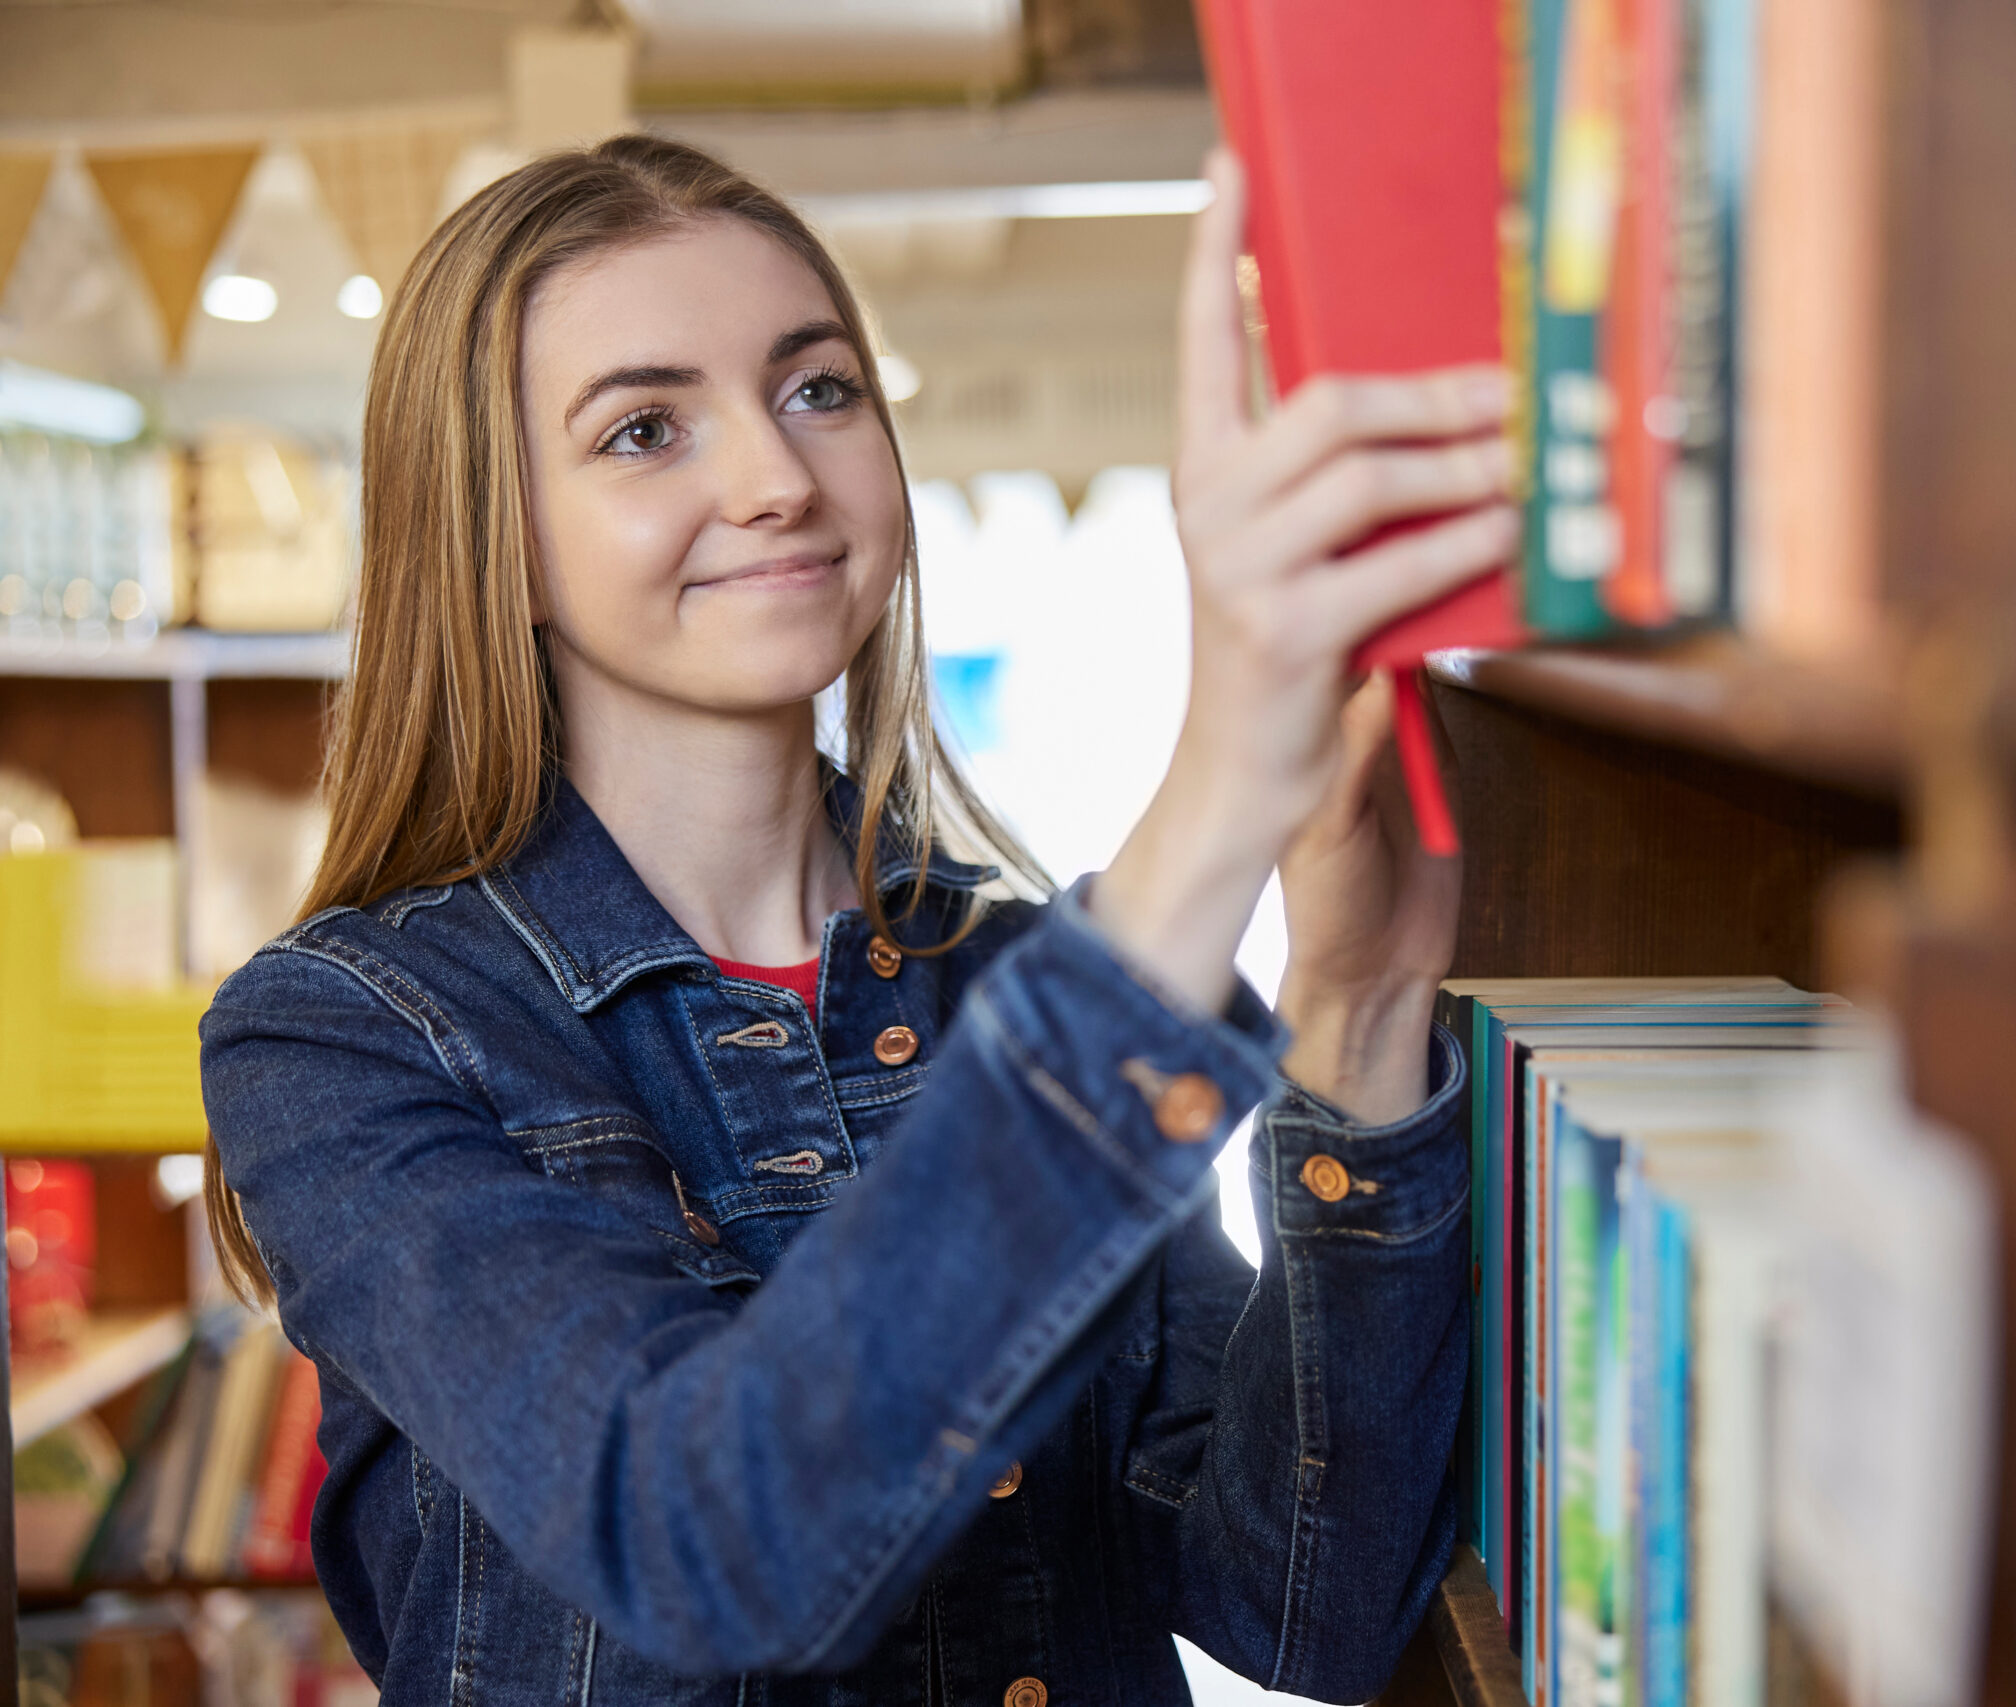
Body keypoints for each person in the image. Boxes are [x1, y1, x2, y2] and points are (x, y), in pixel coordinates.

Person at [197, 134, 1520, 1706]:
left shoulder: (1016, 978)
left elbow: (1312, 1604)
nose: (775, 478)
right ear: (500, 537)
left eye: (818, 389)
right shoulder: (343, 1036)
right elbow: (705, 1540)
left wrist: (1360, 1022)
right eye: (643, 430)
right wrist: (1214, 799)